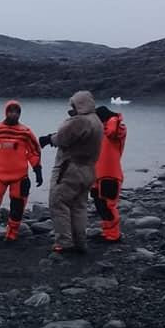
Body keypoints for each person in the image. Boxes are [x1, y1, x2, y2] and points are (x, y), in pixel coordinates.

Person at [39, 91, 104, 254]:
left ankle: (64, 242)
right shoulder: (97, 121)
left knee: (58, 202)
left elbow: (63, 137)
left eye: (74, 105)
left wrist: (47, 139)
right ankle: (80, 242)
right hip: (89, 169)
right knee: (79, 206)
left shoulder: (80, 121)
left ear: (79, 105)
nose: (72, 107)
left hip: (70, 168)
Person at [0, 100, 43, 242]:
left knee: (17, 206)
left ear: (19, 114)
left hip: (20, 176)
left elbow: (33, 152)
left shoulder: (25, 133)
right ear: (6, 112)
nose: (13, 114)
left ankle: (12, 234)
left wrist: (38, 170)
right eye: (11, 111)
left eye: (16, 112)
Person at [91, 105, 127, 242]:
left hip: (111, 174)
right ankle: (107, 232)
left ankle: (113, 235)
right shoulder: (100, 132)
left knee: (108, 205)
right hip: (97, 175)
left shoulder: (118, 128)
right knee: (100, 205)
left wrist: (112, 118)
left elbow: (113, 132)